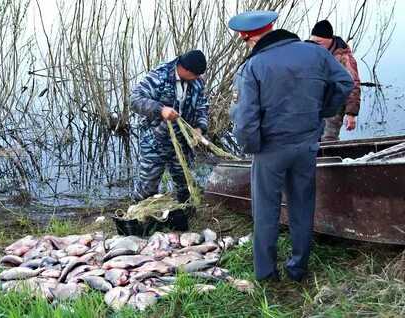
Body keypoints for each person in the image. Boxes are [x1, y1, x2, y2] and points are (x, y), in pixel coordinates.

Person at [228, 11, 353, 282]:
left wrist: (252, 147)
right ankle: (298, 268)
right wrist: (321, 111)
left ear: (247, 37)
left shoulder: (254, 66)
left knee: (265, 211)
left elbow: (246, 118)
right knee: (302, 205)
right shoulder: (316, 53)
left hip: (270, 149)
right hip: (306, 143)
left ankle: (266, 274)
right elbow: (345, 83)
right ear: (273, 27)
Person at [130, 50, 209, 204]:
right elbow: (134, 100)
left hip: (181, 143)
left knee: (185, 183)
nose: (198, 79)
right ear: (185, 70)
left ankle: (184, 215)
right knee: (148, 186)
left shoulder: (197, 81)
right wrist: (161, 110)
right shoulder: (159, 76)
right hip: (155, 141)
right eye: (195, 75)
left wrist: (199, 128)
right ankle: (138, 218)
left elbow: (202, 106)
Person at [310, 20, 361, 141]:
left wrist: (351, 113)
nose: (314, 45)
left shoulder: (344, 58)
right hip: (315, 104)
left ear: (330, 40)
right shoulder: (313, 52)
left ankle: (330, 157)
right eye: (313, 41)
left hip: (335, 104)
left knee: (328, 138)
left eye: (319, 42)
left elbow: (353, 84)